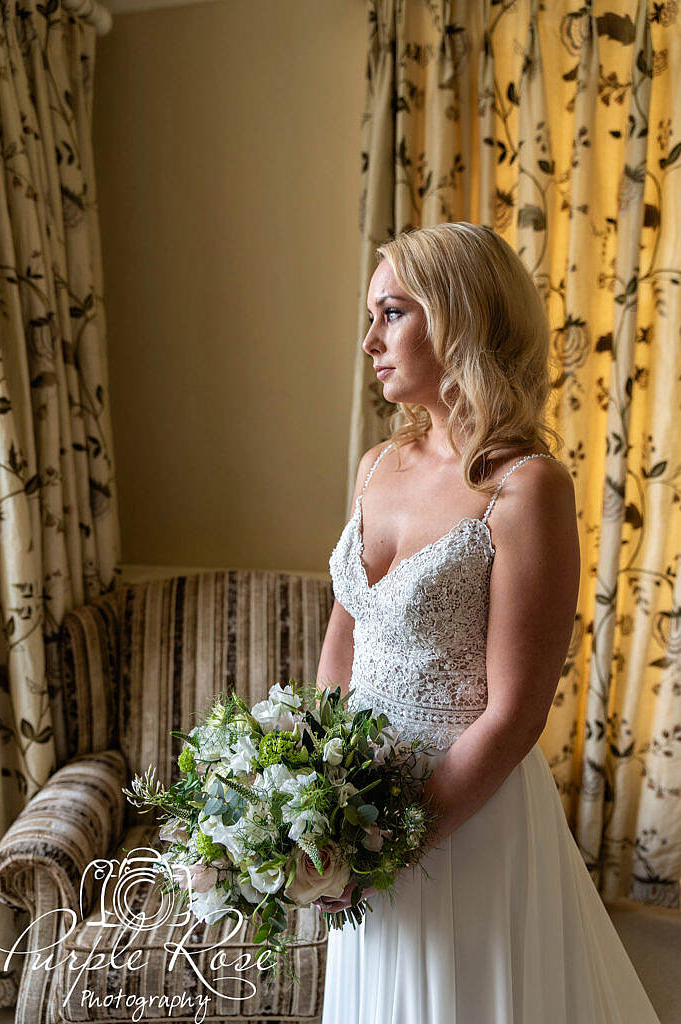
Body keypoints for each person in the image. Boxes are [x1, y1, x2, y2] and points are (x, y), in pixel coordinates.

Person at [313, 223, 661, 1023]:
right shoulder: (377, 464)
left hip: (463, 815)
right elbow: (345, 636)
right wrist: (313, 786)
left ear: (459, 317)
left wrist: (391, 843)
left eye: (392, 312)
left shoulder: (526, 487)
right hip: (355, 800)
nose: (369, 339)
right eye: (372, 315)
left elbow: (516, 713)